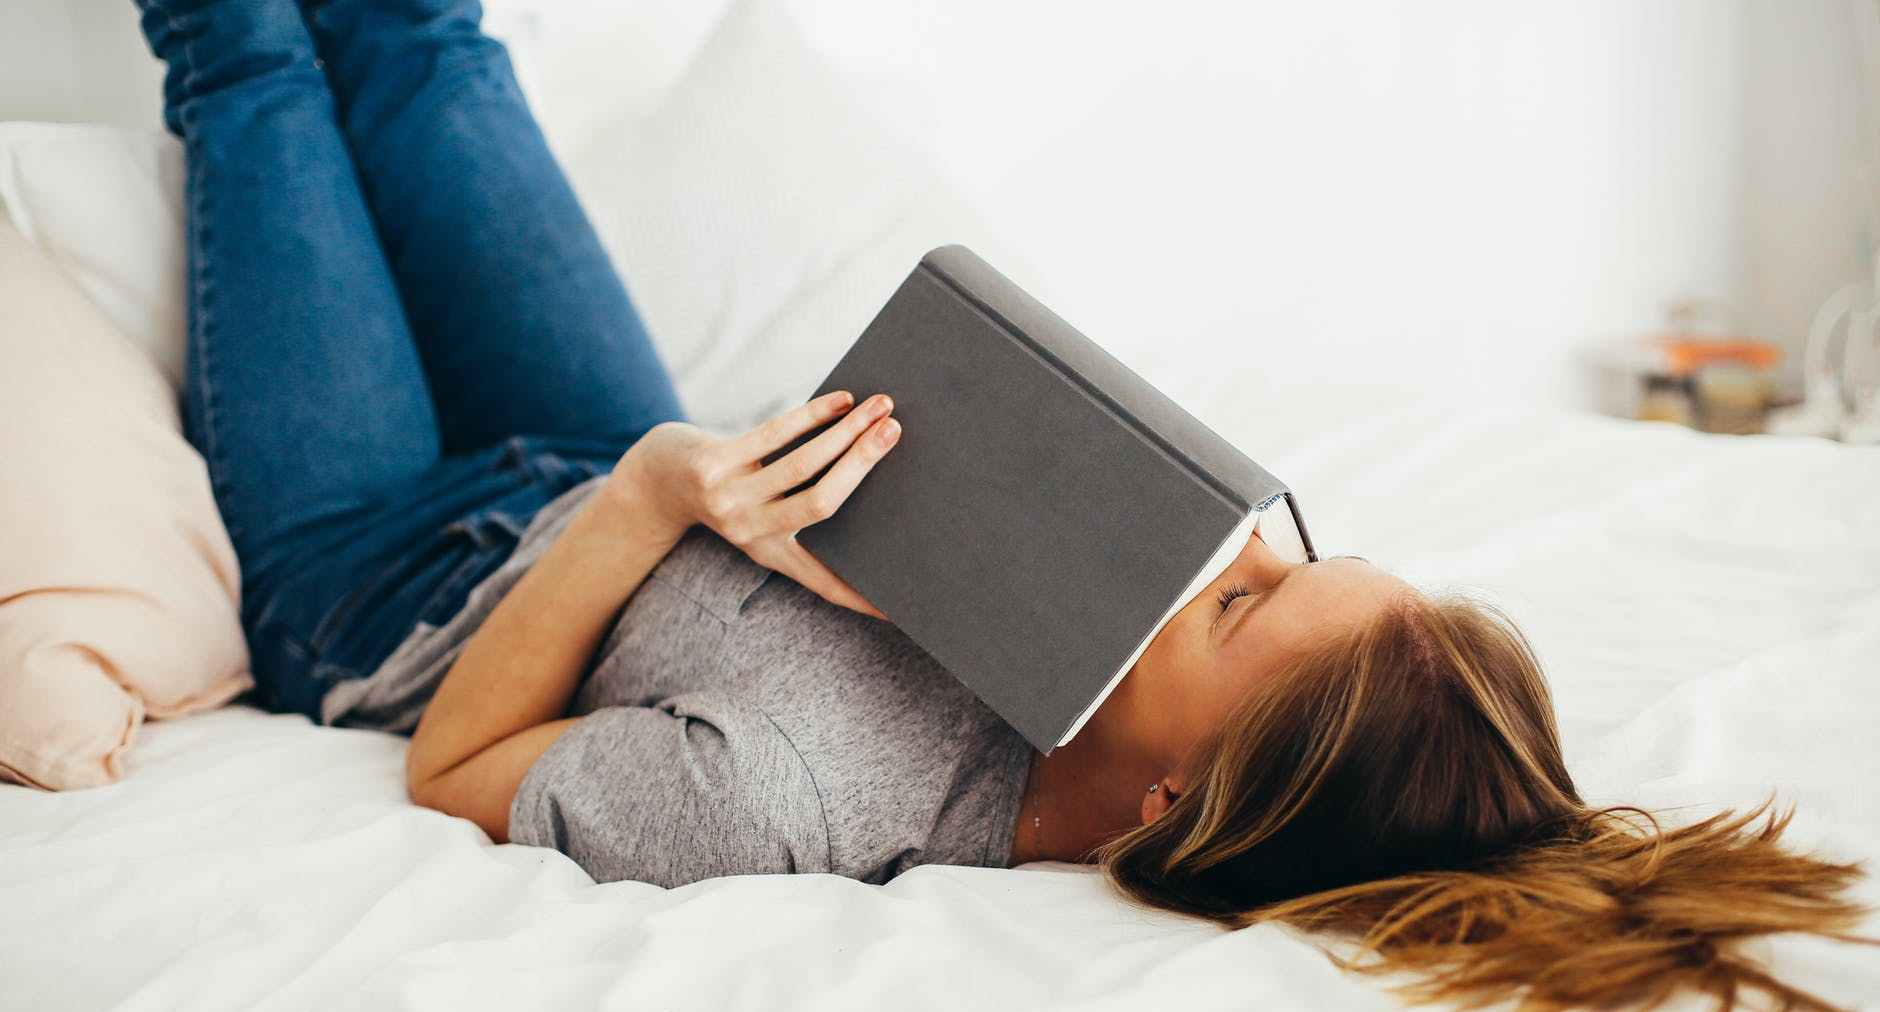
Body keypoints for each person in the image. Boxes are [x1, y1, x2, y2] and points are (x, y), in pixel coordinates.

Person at [136, 2, 1871, 1009]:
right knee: (423, 42)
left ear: (1185, 790)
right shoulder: (1066, 598)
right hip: (611, 451)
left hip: (390, 580)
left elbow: (449, 765)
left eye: (1245, 605)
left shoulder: (790, 804)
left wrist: (659, 487)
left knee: (256, 58)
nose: (1229, 550)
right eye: (1291, 549)